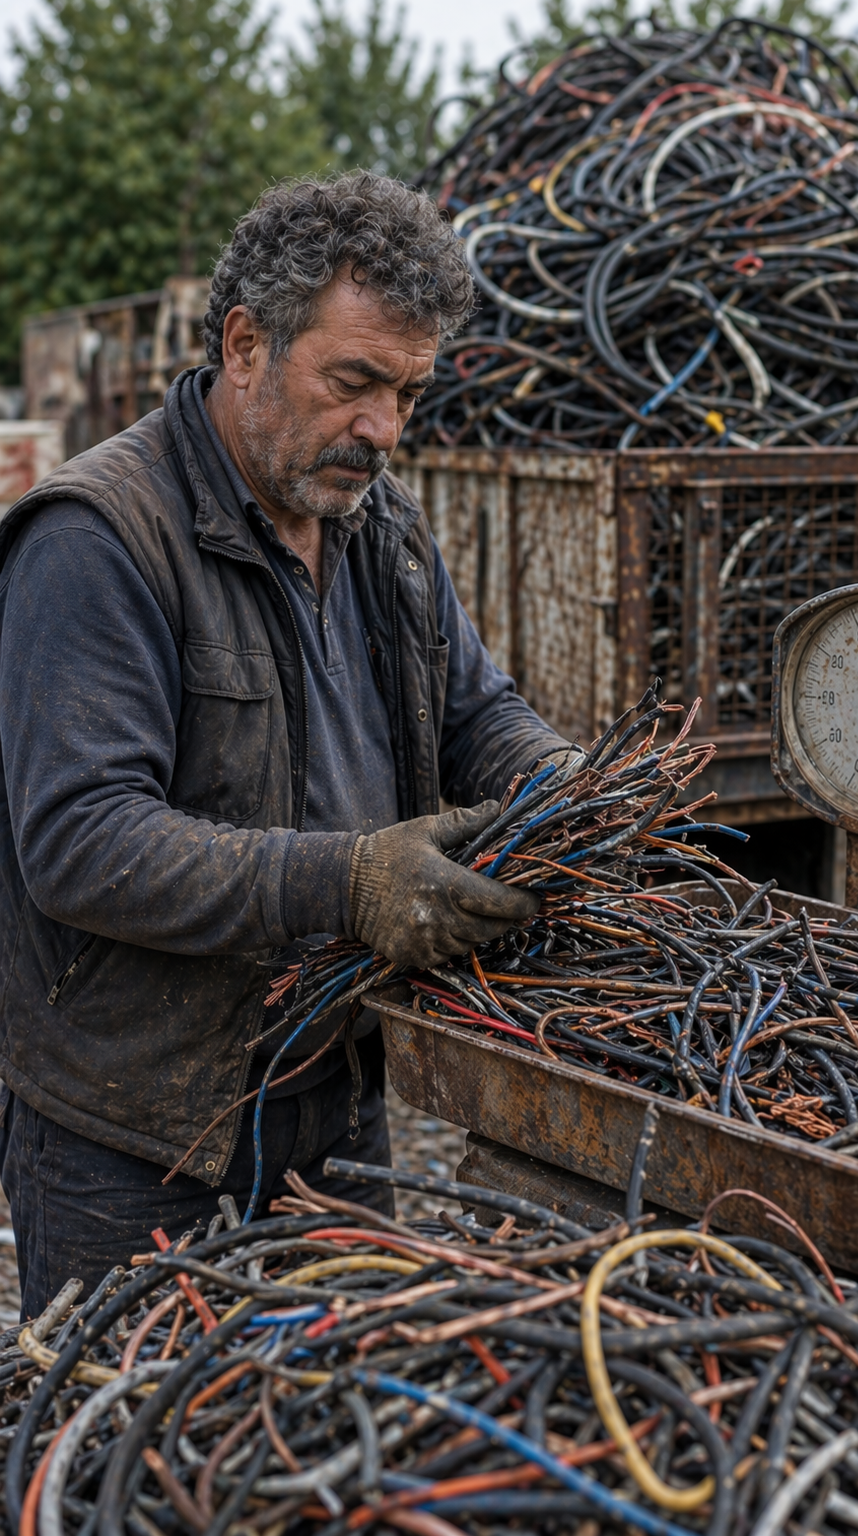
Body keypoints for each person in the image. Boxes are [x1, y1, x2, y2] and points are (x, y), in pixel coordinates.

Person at [0, 174, 574, 1316]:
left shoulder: (381, 526)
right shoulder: (98, 540)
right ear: (247, 343)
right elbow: (80, 839)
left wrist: (562, 788)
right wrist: (350, 882)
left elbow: (473, 713)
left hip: (334, 1096)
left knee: (324, 1449)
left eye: (407, 392)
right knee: (139, 1456)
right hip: (139, 1133)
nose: (382, 429)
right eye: (354, 382)